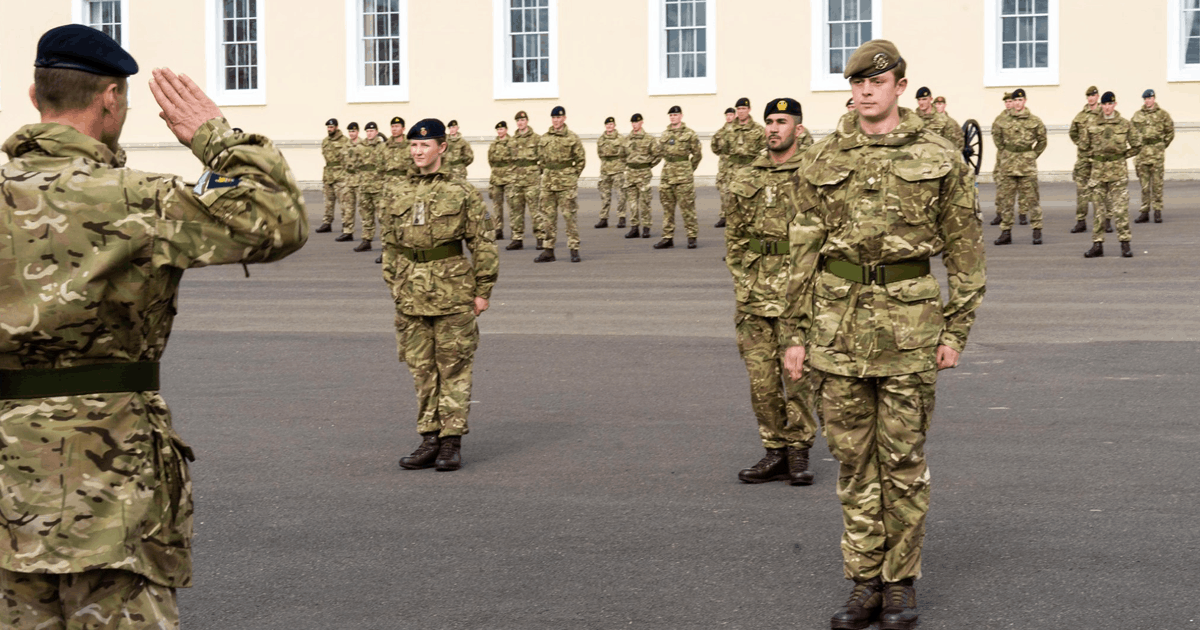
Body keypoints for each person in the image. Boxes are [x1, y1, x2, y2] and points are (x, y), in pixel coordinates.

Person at [0, 25, 307, 628]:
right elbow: (280, 219)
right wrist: (217, 138)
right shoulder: (139, 198)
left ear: (37, 96)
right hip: (115, 483)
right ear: (111, 98)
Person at [782, 40, 986, 630]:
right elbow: (802, 248)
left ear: (899, 85)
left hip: (912, 329)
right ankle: (862, 582)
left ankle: (900, 584)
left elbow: (967, 252)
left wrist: (957, 329)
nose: (865, 90)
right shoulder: (822, 158)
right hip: (837, 328)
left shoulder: (939, 156)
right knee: (851, 462)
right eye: (857, 82)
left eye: (878, 81)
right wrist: (794, 333)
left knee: (903, 461)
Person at [380, 118, 498, 472]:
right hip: (411, 293)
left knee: (455, 367)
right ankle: (429, 439)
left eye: (425, 145)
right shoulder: (396, 190)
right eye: (413, 145)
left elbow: (483, 243)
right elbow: (389, 244)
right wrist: (394, 285)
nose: (417, 151)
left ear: (441, 148)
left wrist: (483, 290)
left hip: (453, 292)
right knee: (422, 370)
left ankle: (451, 443)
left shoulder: (462, 192)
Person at [725, 98, 820, 486]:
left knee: (796, 376)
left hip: (797, 291)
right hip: (754, 292)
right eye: (769, 122)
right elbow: (735, 237)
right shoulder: (747, 176)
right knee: (761, 380)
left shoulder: (814, 172)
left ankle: (799, 451)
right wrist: (743, 280)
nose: (773, 128)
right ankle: (774, 451)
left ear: (798, 129)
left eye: (782, 121)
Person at [1080, 92, 1141, 259]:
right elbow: (1083, 146)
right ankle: (1097, 245)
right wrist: (1092, 159)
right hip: (1098, 173)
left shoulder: (1124, 124)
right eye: (1104, 104)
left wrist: (1121, 157)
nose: (1107, 107)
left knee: (1120, 209)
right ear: (1101, 105)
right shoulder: (1092, 124)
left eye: (1110, 104)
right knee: (1099, 211)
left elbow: (1137, 144)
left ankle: (1125, 244)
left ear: (1115, 105)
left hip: (1117, 173)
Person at [991, 88, 1046, 245]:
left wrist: (1033, 154)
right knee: (1006, 201)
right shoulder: (1002, 120)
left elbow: (1042, 140)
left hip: (1027, 166)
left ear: (1025, 101)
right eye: (1015, 100)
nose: (1017, 103)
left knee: (1032, 199)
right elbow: (997, 136)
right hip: (1008, 165)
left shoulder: (1034, 121)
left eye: (1020, 100)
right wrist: (1005, 152)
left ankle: (1037, 230)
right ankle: (1006, 232)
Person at [535, 105, 586, 263]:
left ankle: (574, 249)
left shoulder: (572, 137)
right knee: (548, 218)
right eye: (554, 118)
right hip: (548, 183)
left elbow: (580, 160)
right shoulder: (544, 138)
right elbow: (540, 160)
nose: (556, 121)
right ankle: (548, 250)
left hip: (566, 183)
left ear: (564, 118)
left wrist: (571, 176)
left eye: (559, 118)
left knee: (569, 216)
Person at [653, 105, 702, 250]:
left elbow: (697, 154)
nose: (673, 117)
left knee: (687, 208)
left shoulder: (690, 134)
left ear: (681, 116)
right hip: (668, 175)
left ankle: (692, 236)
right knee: (667, 208)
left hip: (683, 177)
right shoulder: (665, 134)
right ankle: (667, 237)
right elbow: (659, 152)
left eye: (675, 115)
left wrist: (688, 169)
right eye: (671, 115)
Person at [1130, 88, 1174, 224]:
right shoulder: (1137, 115)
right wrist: (1137, 146)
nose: (1148, 101)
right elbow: (1131, 132)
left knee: (1157, 184)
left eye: (1150, 98)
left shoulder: (1163, 115)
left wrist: (1161, 145)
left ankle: (1157, 211)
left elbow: (1170, 131)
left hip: (1156, 154)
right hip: (1142, 154)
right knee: (1144, 185)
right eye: (1146, 99)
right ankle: (1144, 211)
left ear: (1154, 99)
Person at [1068, 86, 1103, 233]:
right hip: (1083, 158)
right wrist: (1080, 144)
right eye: (1088, 96)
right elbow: (1072, 132)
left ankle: (1105, 220)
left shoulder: (1105, 114)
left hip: (1099, 158)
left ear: (1098, 96)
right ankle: (1081, 221)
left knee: (1101, 191)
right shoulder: (1080, 116)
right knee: (1081, 191)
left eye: (1093, 95)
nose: (1091, 98)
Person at [504, 110, 541, 250]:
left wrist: (536, 173)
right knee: (515, 211)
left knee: (536, 210)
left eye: (523, 120)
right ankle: (517, 238)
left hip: (532, 180)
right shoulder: (512, 141)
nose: (520, 123)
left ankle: (540, 237)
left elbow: (542, 159)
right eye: (518, 121)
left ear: (527, 121)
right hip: (516, 180)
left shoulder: (536, 139)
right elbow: (508, 159)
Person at [350, 121, 387, 252]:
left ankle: (385, 244)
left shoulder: (383, 147)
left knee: (382, 217)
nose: (370, 133)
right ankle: (367, 240)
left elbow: (387, 164)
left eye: (372, 131)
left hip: (378, 187)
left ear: (376, 132)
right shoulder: (360, 147)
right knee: (366, 215)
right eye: (367, 131)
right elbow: (353, 164)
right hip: (364, 186)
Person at [622, 113, 660, 239]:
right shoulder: (627, 140)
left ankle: (646, 227)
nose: (634, 125)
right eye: (632, 123)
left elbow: (658, 154)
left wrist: (649, 165)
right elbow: (622, 155)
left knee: (645, 202)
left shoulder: (649, 139)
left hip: (643, 174)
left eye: (636, 123)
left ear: (641, 122)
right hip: (631, 174)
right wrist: (628, 166)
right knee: (632, 203)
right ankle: (634, 227)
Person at [595, 116, 629, 228]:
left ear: (614, 126)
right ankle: (603, 218)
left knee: (620, 195)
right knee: (605, 196)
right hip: (605, 170)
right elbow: (600, 154)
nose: (609, 126)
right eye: (607, 125)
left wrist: (621, 165)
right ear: (605, 126)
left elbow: (625, 153)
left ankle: (621, 217)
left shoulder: (621, 139)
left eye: (611, 124)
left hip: (617, 170)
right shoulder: (601, 139)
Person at [318, 117, 348, 233]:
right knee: (328, 202)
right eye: (328, 127)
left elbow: (347, 158)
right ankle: (327, 223)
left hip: (340, 175)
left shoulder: (344, 141)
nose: (329, 129)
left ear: (336, 127)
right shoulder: (325, 141)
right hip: (328, 174)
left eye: (331, 127)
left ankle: (346, 225)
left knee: (344, 202)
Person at [989, 93, 1013, 226]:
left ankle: (1022, 212)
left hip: (1016, 156)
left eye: (1010, 101)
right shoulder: (1000, 119)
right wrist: (1003, 148)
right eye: (1007, 102)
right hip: (1002, 156)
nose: (1009, 104)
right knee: (1000, 183)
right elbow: (995, 135)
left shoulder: (1019, 116)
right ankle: (999, 213)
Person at [335, 121, 361, 242]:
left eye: (353, 131)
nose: (351, 133)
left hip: (360, 179)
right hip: (348, 180)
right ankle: (347, 231)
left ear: (358, 132)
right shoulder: (345, 145)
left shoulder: (363, 145)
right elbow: (341, 160)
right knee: (347, 207)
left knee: (364, 209)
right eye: (350, 131)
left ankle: (367, 235)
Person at [488, 120, 514, 240]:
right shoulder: (493, 144)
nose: (500, 131)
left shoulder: (512, 143)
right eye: (498, 130)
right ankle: (498, 229)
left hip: (509, 178)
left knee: (512, 205)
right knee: (497, 206)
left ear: (506, 130)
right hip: (496, 178)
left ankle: (515, 230)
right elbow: (491, 161)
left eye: (502, 129)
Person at [712, 106, 737, 228]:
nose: (729, 117)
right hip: (724, 167)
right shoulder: (720, 132)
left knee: (737, 191)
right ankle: (724, 216)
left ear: (735, 116)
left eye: (731, 115)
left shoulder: (739, 131)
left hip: (737, 166)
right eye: (727, 115)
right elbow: (714, 147)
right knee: (723, 191)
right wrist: (723, 156)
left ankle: (736, 217)